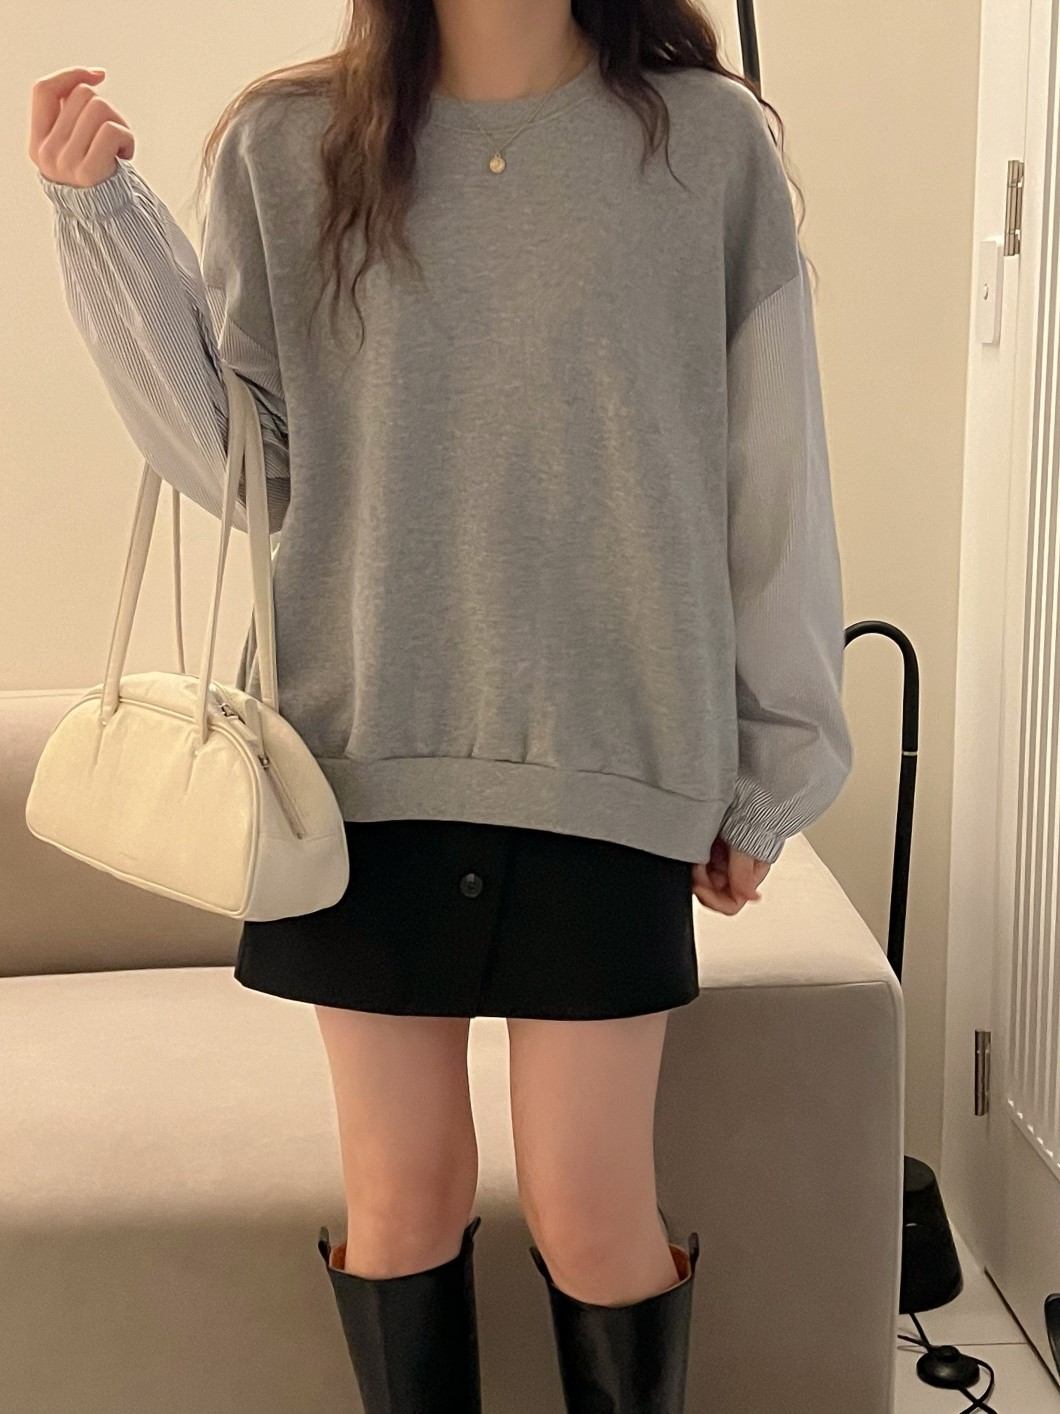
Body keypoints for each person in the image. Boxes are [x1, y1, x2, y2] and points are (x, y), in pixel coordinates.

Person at [28, 2, 853, 1408]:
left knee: (594, 1212)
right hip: (358, 763)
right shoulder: (287, 144)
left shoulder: (706, 146)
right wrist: (102, 221)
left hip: (612, 750)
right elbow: (241, 466)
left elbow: (773, 476)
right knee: (401, 1201)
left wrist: (771, 773)